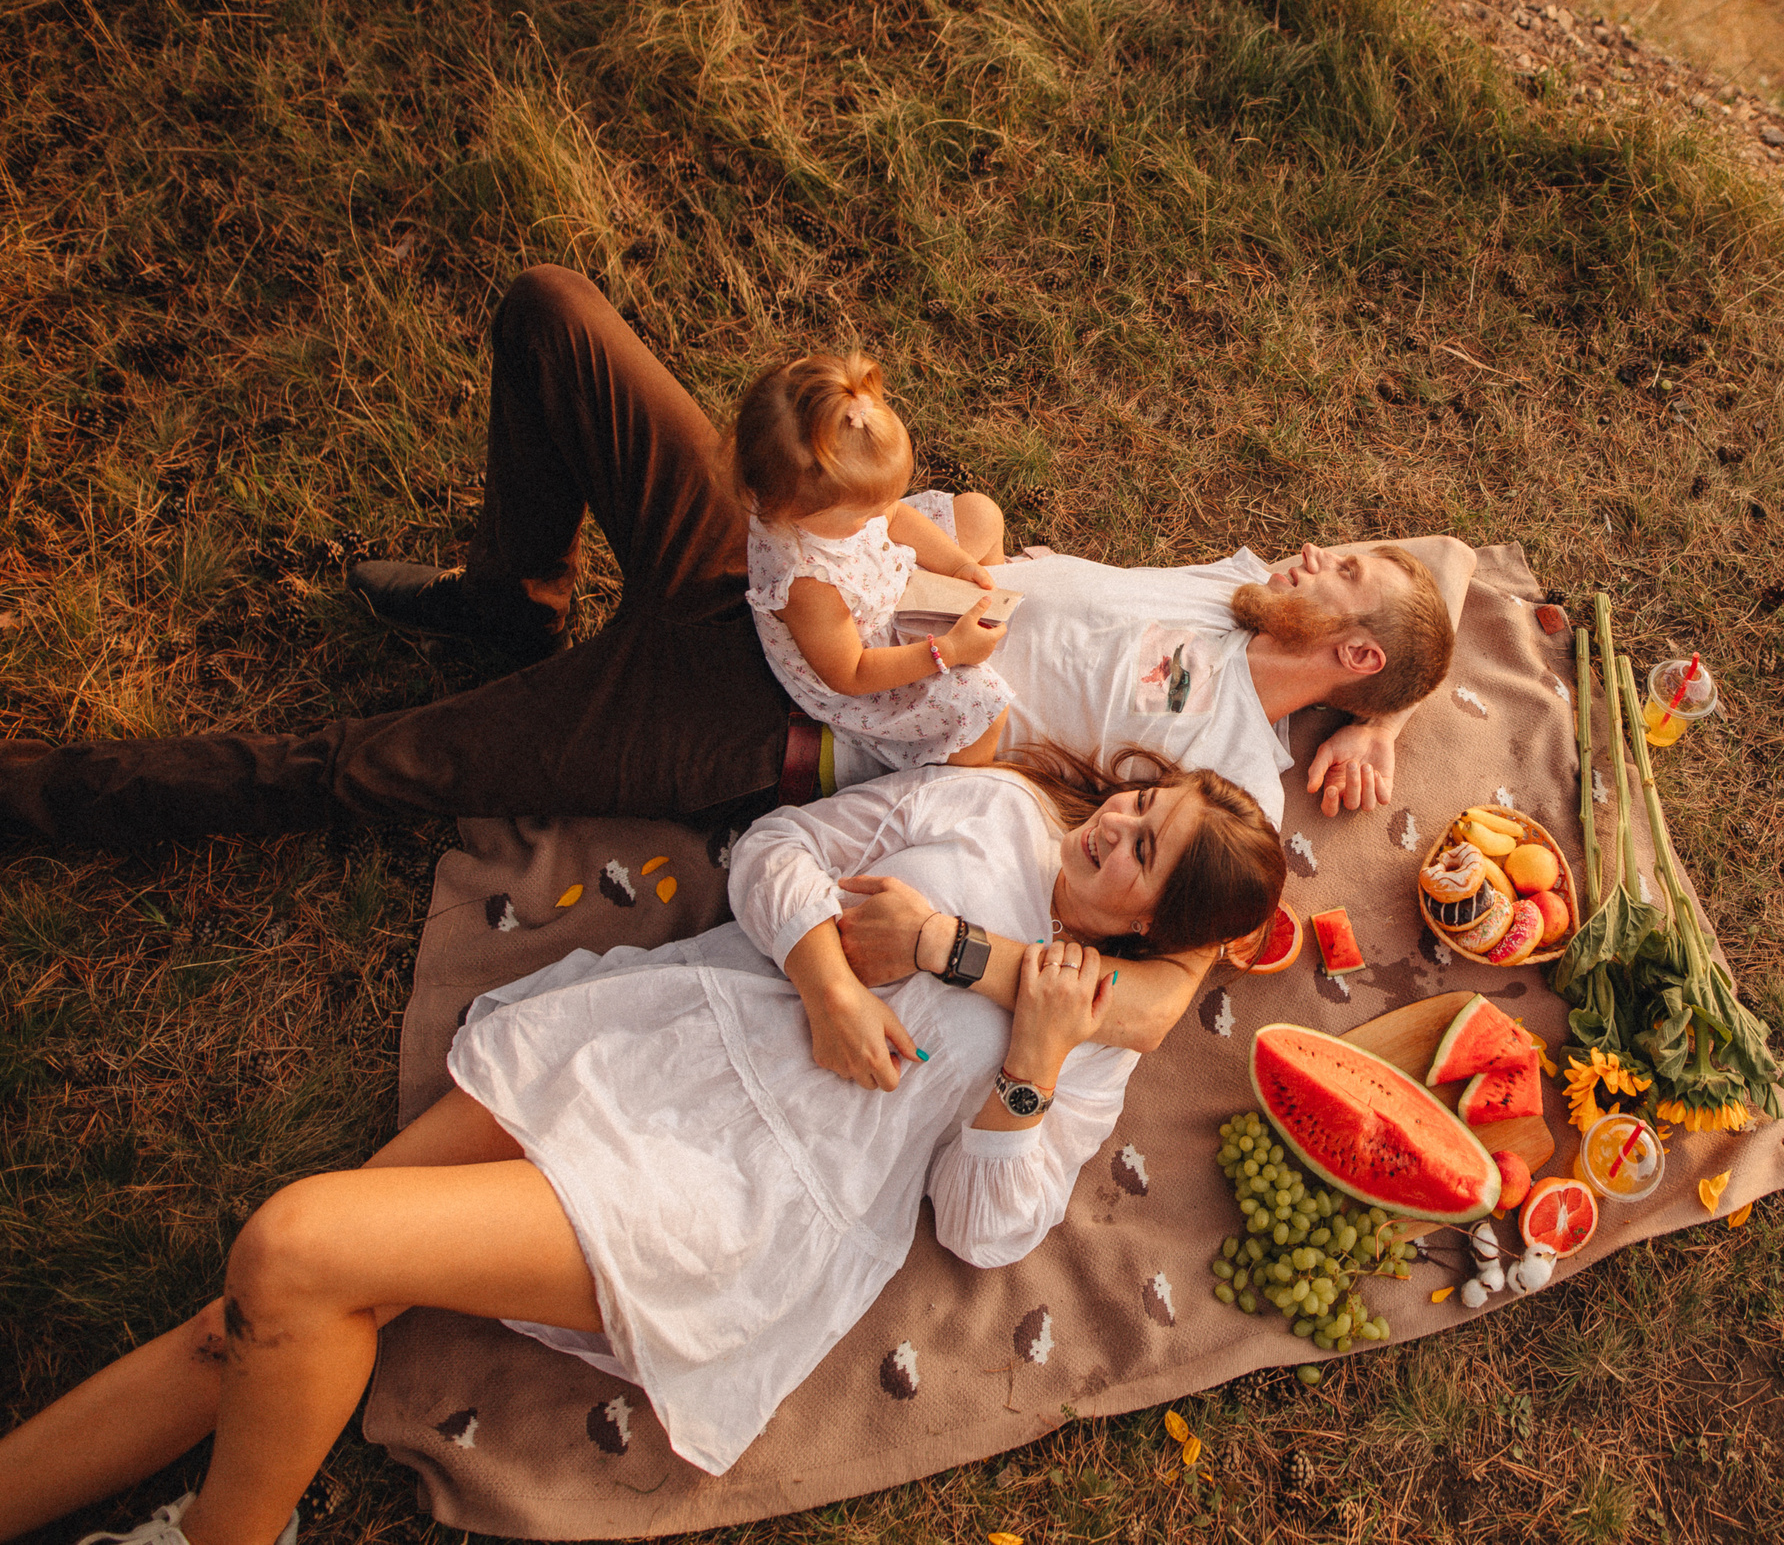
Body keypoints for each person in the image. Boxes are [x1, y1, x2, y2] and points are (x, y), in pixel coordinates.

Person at [0, 747, 1283, 1540]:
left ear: (1142, 929)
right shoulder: (995, 807)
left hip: (734, 1193)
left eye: (1142, 849)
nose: (1112, 821)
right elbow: (778, 853)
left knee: (296, 1247)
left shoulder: (1091, 1038)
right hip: (652, 1044)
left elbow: (984, 1226)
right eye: (1138, 799)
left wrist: (1029, 1073)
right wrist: (827, 982)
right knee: (258, 1313)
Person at [0, 267, 1469, 847]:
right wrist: (1397, 701)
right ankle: (514, 594)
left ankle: (37, 796)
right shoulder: (1233, 587)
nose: (1324, 547)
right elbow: (1449, 562)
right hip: (786, 556)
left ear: (1342, 650)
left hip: (779, 707)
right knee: (554, 314)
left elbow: (1177, 898)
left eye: (1344, 575)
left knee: (363, 767)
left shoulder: (1227, 760)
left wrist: (1373, 709)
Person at [726, 350, 1014, 771]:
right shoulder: (808, 584)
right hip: (864, 652)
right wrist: (948, 652)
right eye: (863, 514)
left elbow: (895, 516)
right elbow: (852, 673)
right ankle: (960, 774)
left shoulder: (820, 502)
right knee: (984, 706)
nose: (877, 517)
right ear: (787, 508)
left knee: (982, 514)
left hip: (882, 576)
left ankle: (1000, 596)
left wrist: (956, 565)